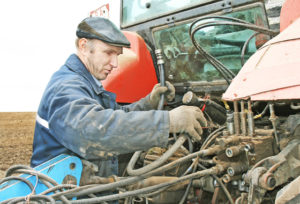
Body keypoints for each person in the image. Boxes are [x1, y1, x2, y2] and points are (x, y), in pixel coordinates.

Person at [30, 17, 206, 181]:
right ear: (83, 46)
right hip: (65, 194)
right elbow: (93, 132)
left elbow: (117, 114)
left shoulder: (88, 84)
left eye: (117, 55)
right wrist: (169, 122)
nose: (115, 63)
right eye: (108, 53)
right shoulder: (66, 86)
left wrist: (148, 102)